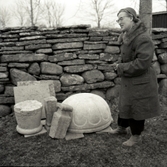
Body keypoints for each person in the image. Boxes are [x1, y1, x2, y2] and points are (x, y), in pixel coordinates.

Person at [111, 7, 160, 146]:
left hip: (141, 80)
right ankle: (121, 128)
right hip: (130, 78)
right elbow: (128, 58)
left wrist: (121, 67)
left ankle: (136, 136)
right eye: (117, 19)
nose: (118, 22)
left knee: (137, 107)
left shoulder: (143, 38)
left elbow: (142, 63)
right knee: (125, 103)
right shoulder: (127, 35)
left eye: (121, 18)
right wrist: (120, 64)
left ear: (131, 17)